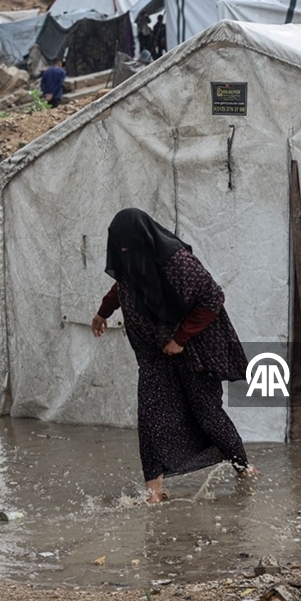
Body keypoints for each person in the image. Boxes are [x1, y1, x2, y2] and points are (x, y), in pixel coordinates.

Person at [91, 208, 257, 504]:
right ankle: (154, 492)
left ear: (145, 240)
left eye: (130, 248)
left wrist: (180, 339)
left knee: (205, 411)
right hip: (153, 349)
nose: (126, 255)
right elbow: (124, 284)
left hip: (192, 346)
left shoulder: (177, 261)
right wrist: (103, 312)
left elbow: (212, 298)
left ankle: (242, 467)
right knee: (150, 415)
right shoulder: (129, 261)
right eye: (121, 250)